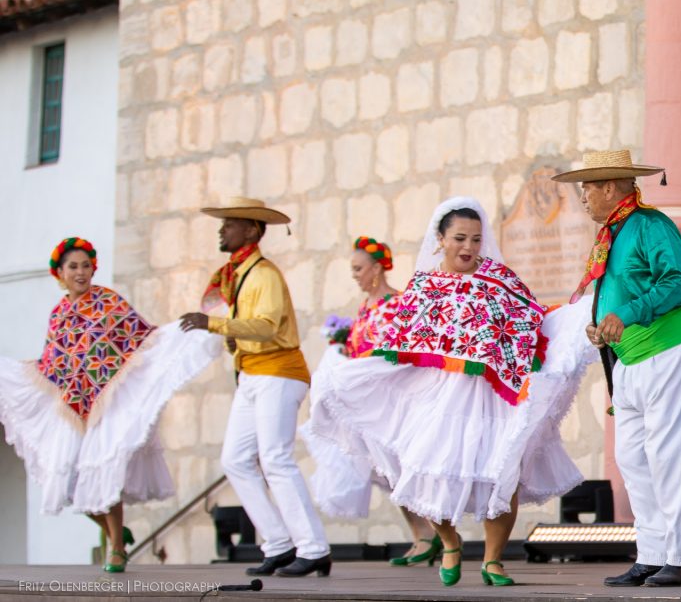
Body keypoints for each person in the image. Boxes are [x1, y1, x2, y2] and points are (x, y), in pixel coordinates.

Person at [304, 197, 592, 587]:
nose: (469, 247)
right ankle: (449, 542)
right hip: (439, 395)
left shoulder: (499, 279)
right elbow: (402, 342)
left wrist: (574, 317)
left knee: (501, 471)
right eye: (459, 238)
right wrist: (357, 370)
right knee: (426, 469)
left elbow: (531, 319)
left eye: (475, 239)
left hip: (494, 396)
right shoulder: (425, 286)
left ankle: (493, 560)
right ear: (440, 239)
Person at [0, 237, 219, 573]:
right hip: (71, 405)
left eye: (86, 265)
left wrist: (180, 333)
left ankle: (116, 546)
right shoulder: (58, 313)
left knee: (102, 469)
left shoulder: (107, 301)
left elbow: (140, 337)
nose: (81, 272)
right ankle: (114, 531)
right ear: (59, 272)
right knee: (70, 482)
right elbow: (54, 360)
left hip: (109, 400)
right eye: (73, 266)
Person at [552, 151, 681, 588]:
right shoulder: (613, 232)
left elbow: (678, 284)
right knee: (633, 458)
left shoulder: (649, 224)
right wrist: (601, 324)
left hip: (667, 349)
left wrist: (628, 312)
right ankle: (653, 554)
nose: (583, 196)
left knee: (667, 455)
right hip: (629, 358)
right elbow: (620, 291)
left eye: (587, 187)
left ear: (608, 187)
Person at [178, 198, 331, 578]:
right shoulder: (239, 275)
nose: (221, 231)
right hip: (253, 375)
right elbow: (249, 328)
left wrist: (213, 325)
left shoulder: (264, 274)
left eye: (229, 225)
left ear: (251, 230)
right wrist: (233, 341)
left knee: (276, 458)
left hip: (278, 372)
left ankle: (313, 548)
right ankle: (279, 543)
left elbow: (265, 325)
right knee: (234, 460)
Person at [300, 237, 441, 567]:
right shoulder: (366, 307)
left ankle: (438, 535)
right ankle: (421, 536)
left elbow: (401, 350)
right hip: (367, 403)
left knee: (402, 468)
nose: (355, 275)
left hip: (393, 401)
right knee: (387, 472)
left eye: (358, 269)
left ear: (377, 269)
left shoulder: (396, 304)